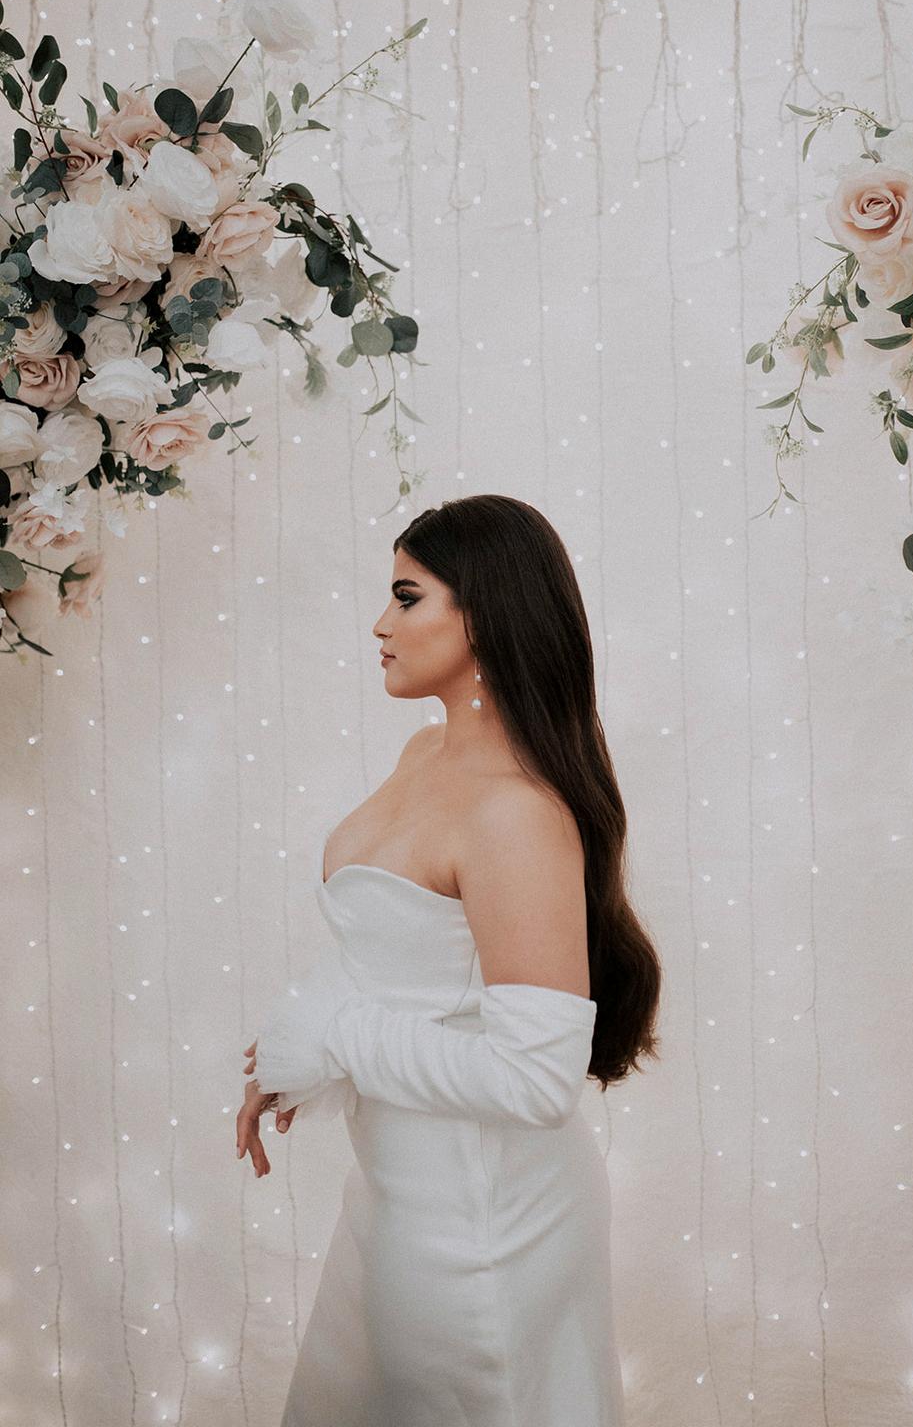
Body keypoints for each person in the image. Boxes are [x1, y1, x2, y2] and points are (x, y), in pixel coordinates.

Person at [235, 494, 662, 1426]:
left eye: (407, 597)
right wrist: (289, 1050)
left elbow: (535, 1080)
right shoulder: (423, 751)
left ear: (486, 614)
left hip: (482, 1218)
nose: (380, 625)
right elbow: (386, 952)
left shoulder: (515, 813)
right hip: (393, 1193)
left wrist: (334, 1036)